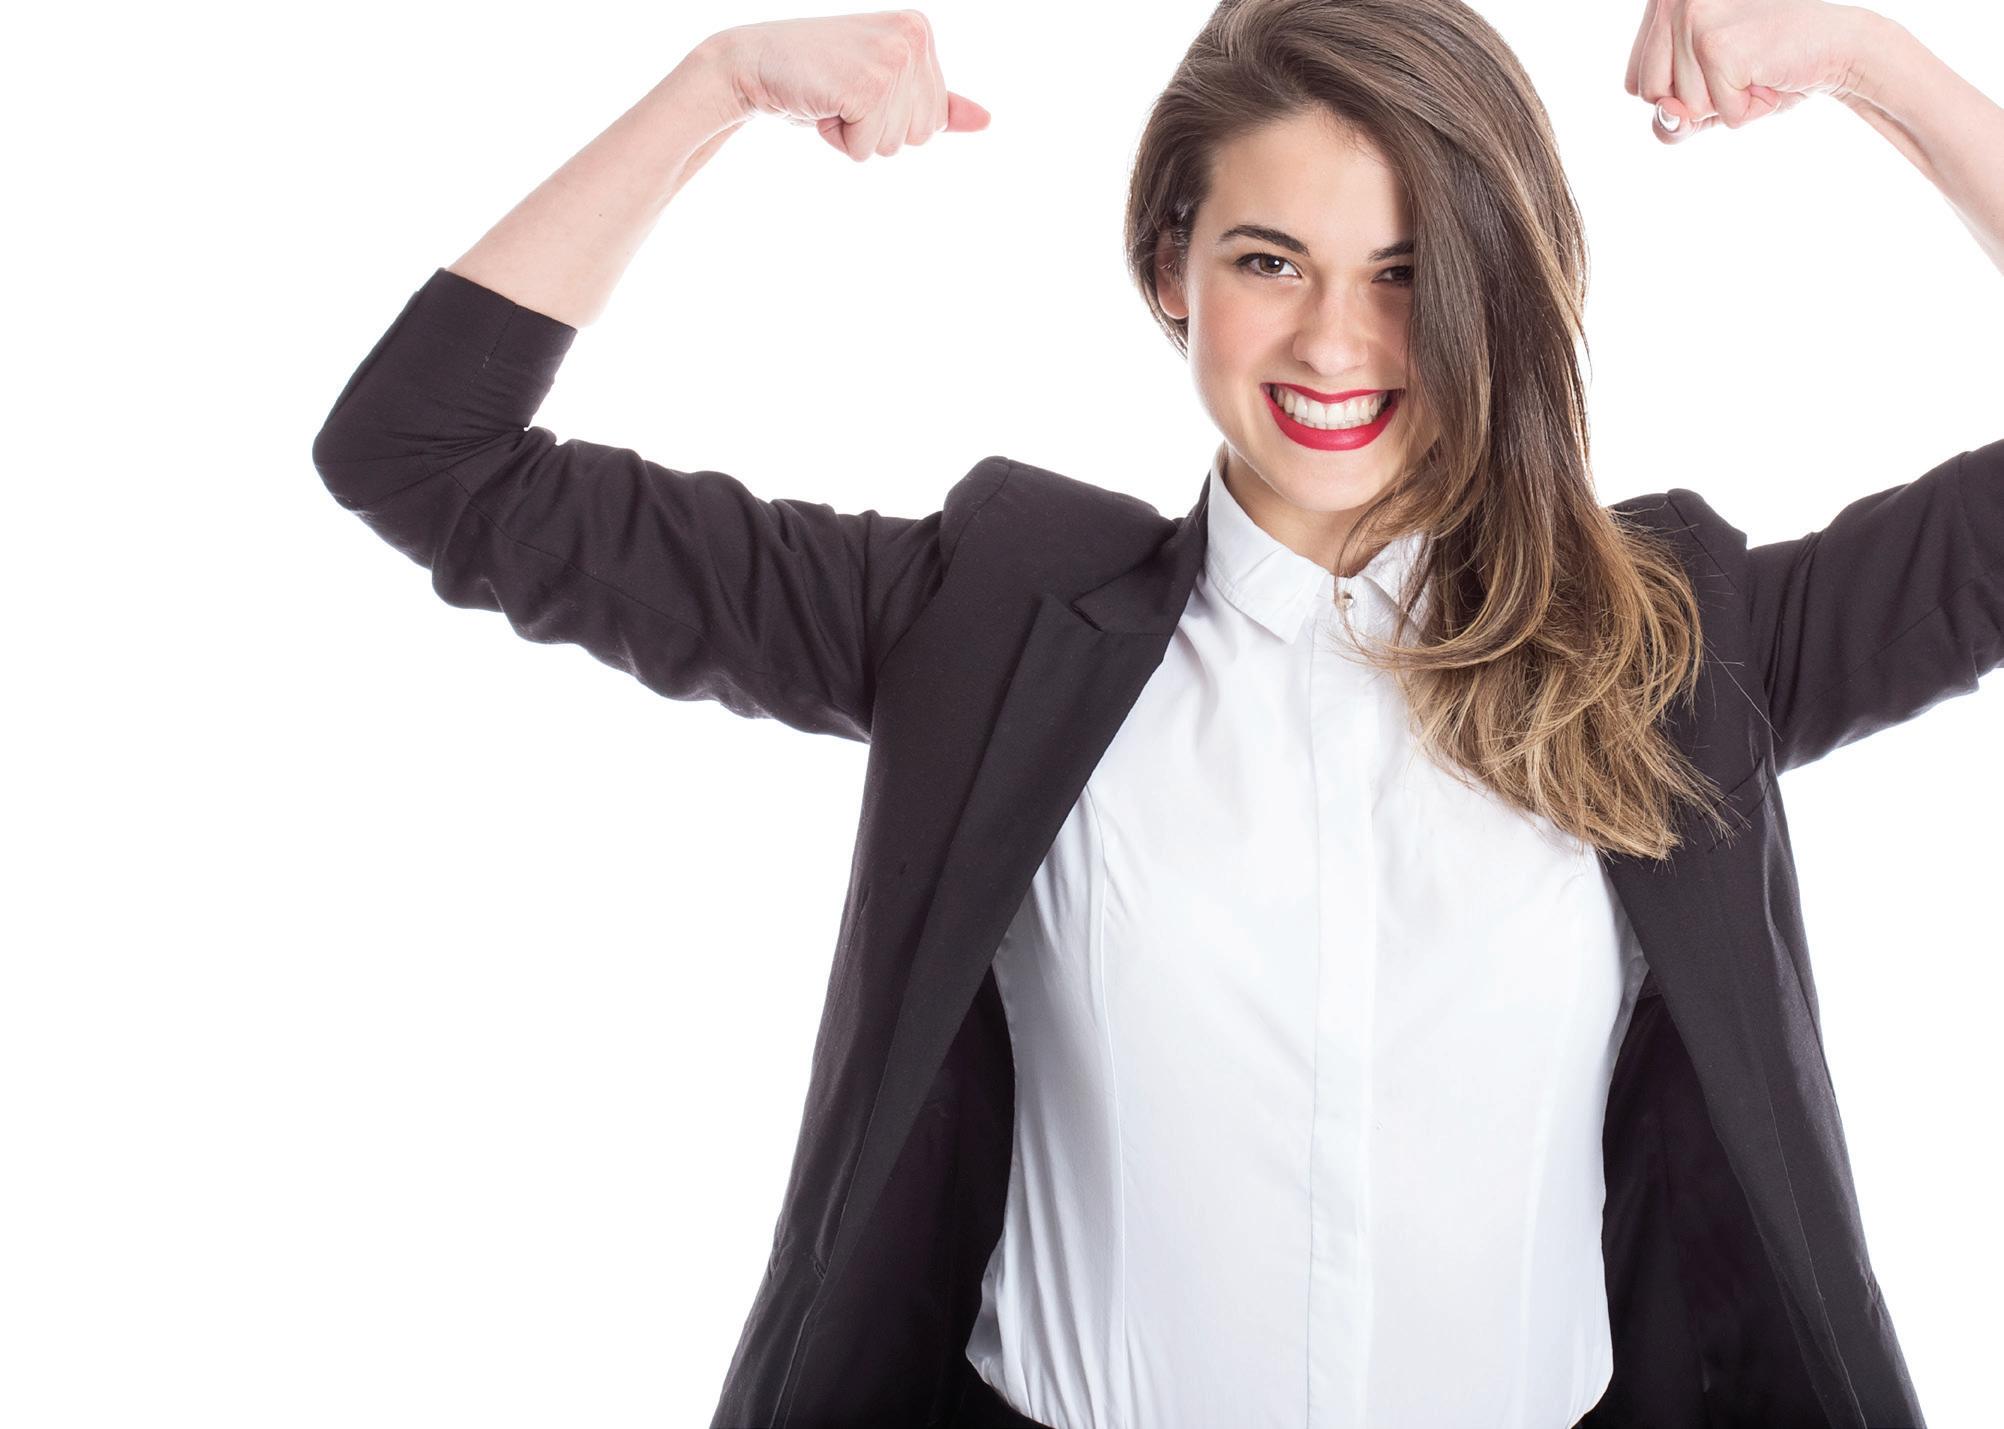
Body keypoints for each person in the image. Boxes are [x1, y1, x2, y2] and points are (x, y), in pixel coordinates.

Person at [310, 2, 2003, 1425]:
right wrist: (719, 87)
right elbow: (422, 455)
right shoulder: (985, 623)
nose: (1337, 341)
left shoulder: (1670, 647)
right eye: (1272, 258)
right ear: (1169, 266)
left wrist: (1878, 65)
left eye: (1409, 271)